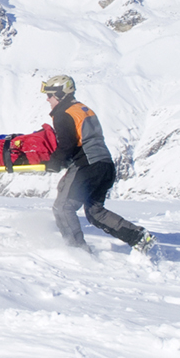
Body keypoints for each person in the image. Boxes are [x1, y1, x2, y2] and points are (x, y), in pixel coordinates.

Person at [42, 75, 154, 253]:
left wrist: (53, 162)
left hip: (87, 166)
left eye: (49, 94)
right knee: (95, 212)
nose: (47, 99)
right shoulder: (82, 109)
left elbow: (67, 145)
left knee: (63, 208)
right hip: (105, 165)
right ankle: (138, 237)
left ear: (60, 94)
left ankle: (77, 251)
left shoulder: (63, 114)